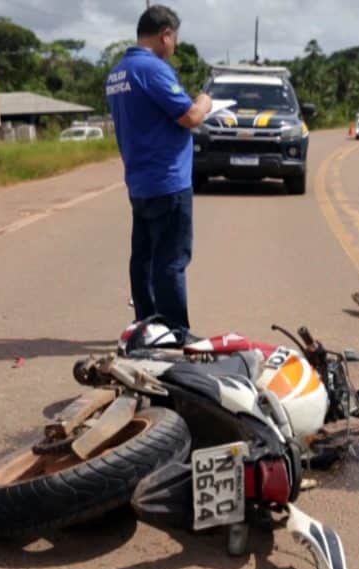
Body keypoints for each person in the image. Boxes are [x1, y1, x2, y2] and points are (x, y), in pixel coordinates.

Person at [106, 4, 212, 342]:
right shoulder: (153, 70)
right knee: (171, 260)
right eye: (174, 39)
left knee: (144, 258)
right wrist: (205, 101)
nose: (174, 46)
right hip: (168, 179)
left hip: (139, 181)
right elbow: (190, 117)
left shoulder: (118, 72)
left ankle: (146, 325)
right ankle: (175, 332)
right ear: (165, 35)